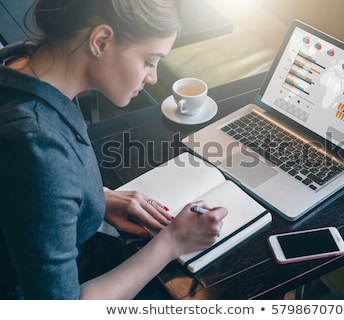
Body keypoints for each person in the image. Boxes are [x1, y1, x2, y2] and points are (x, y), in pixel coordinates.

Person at [0, 0, 227, 299]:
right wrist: (172, 242)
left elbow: (17, 188)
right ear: (101, 41)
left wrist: (95, 197)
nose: (153, 77)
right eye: (149, 60)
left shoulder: (21, 61)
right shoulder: (38, 146)